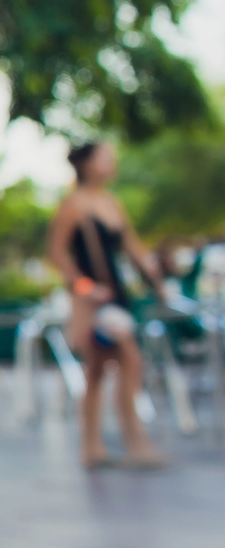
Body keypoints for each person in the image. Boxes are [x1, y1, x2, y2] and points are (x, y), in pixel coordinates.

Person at [48, 140, 170, 470]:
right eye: (104, 156)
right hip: (96, 304)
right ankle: (135, 442)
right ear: (86, 164)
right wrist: (84, 287)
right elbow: (57, 253)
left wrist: (158, 282)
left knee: (97, 372)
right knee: (130, 361)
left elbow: (132, 246)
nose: (111, 162)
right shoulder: (73, 205)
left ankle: (92, 448)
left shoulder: (111, 203)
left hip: (117, 297)